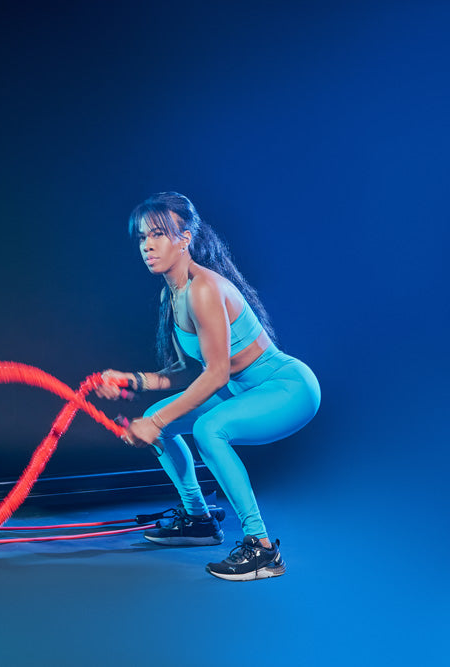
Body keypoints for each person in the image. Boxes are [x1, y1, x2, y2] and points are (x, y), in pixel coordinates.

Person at [96, 192, 320, 581]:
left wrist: (157, 420)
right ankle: (199, 520)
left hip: (287, 388)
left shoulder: (203, 289)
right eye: (141, 238)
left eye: (159, 235)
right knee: (156, 418)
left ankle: (262, 549)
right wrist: (134, 381)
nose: (147, 245)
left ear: (185, 239)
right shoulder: (174, 292)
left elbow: (215, 375)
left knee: (207, 428)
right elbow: (188, 371)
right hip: (242, 389)